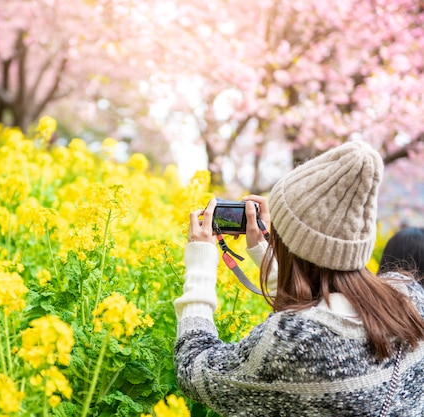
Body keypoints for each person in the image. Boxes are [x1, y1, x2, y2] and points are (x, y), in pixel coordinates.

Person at [173, 141, 424, 416]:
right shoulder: (411, 296)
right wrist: (264, 251)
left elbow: (194, 371)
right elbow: (321, 312)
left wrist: (201, 263)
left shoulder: (294, 341)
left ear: (288, 243)